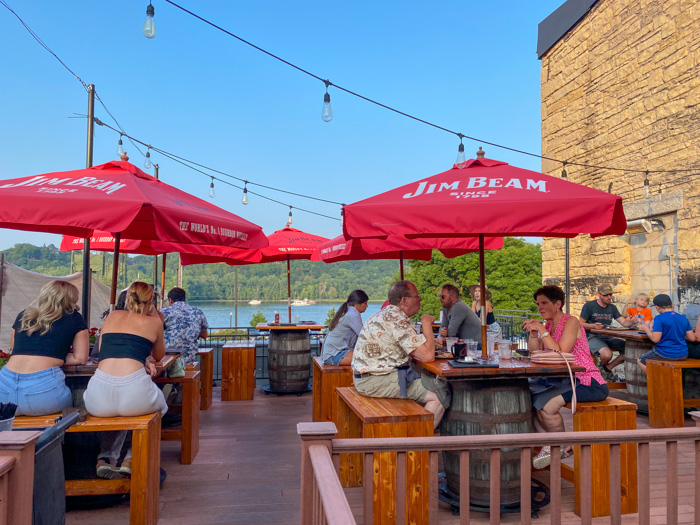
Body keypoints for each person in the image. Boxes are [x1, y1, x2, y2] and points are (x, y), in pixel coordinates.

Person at [83, 282, 168, 479]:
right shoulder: (154, 322)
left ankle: (106, 458)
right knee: (160, 407)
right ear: (151, 301)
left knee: (117, 414)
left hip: (98, 395)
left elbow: (107, 348)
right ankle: (132, 457)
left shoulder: (113, 316)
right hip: (135, 390)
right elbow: (159, 355)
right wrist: (155, 317)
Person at [523, 285, 609, 469]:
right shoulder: (548, 325)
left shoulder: (571, 321)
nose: (540, 307)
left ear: (558, 304)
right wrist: (534, 333)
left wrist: (542, 330)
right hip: (562, 379)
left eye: (544, 303)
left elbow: (562, 351)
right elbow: (534, 351)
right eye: (538, 304)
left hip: (587, 380)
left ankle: (559, 445)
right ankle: (553, 443)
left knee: (547, 406)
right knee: (527, 399)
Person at [352, 280, 451, 429]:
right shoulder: (397, 320)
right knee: (440, 393)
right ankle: (417, 445)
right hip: (376, 380)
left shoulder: (386, 314)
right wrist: (426, 323)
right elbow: (428, 356)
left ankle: (413, 430)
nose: (420, 299)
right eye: (417, 296)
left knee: (424, 380)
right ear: (404, 300)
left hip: (366, 378)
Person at [0, 281, 89, 416]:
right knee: (75, 408)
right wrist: (54, 357)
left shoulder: (24, 315)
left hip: (4, 387)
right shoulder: (75, 318)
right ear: (71, 299)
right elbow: (81, 358)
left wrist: (47, 355)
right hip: (43, 391)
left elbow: (15, 349)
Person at [579, 284, 636, 381]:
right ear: (598, 294)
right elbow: (580, 323)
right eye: (606, 295)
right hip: (592, 336)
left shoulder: (612, 307)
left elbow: (624, 322)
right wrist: (593, 326)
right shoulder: (589, 306)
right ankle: (601, 371)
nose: (609, 297)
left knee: (629, 350)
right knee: (607, 354)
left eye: (610, 294)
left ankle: (605, 369)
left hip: (608, 336)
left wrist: (632, 321)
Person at [637, 294, 696, 373]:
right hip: (683, 354)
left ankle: (656, 381)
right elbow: (692, 338)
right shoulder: (683, 318)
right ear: (671, 305)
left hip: (665, 353)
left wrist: (646, 329)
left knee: (641, 360)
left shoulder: (659, 318)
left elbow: (655, 339)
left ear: (657, 307)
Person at [322, 290, 369, 366]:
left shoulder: (348, 310)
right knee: (369, 358)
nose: (367, 306)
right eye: (365, 303)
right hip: (334, 355)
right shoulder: (353, 315)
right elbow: (364, 335)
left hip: (329, 353)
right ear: (357, 304)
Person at [161, 287, 209, 361]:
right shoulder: (198, 312)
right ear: (184, 299)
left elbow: (155, 333)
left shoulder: (164, 312)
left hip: (169, 361)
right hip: (190, 359)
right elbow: (204, 335)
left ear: (170, 300)